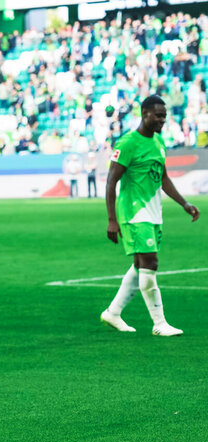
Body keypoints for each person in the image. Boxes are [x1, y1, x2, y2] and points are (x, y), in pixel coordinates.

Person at [101, 95, 200, 336]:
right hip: (134, 212)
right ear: (144, 114)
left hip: (154, 212)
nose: (162, 120)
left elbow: (163, 177)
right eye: (158, 115)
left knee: (140, 265)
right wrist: (112, 219)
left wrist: (184, 203)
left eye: (164, 116)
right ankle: (159, 323)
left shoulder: (158, 142)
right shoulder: (127, 144)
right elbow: (111, 181)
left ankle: (113, 313)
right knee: (151, 262)